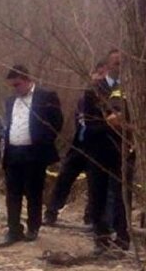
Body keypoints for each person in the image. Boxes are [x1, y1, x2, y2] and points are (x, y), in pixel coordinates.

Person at [0, 65, 64, 247]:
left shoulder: (46, 97)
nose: (15, 89)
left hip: (34, 153)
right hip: (13, 153)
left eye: (17, 84)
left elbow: (57, 122)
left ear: (27, 80)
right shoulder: (11, 101)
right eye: (12, 86)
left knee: (33, 192)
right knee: (12, 193)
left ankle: (33, 227)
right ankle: (13, 230)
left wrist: (43, 142)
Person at [44, 61, 107, 226]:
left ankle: (91, 218)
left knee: (95, 185)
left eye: (103, 75)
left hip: (97, 148)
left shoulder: (109, 99)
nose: (99, 78)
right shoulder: (83, 98)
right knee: (64, 177)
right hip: (78, 145)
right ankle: (51, 212)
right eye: (97, 74)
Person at [84, 49, 131, 253]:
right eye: (116, 63)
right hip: (99, 149)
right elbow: (89, 122)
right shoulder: (94, 90)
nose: (119, 67)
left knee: (123, 195)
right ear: (107, 66)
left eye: (123, 63)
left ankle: (123, 237)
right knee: (97, 194)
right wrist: (111, 124)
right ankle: (101, 237)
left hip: (125, 150)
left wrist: (127, 127)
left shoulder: (134, 89)